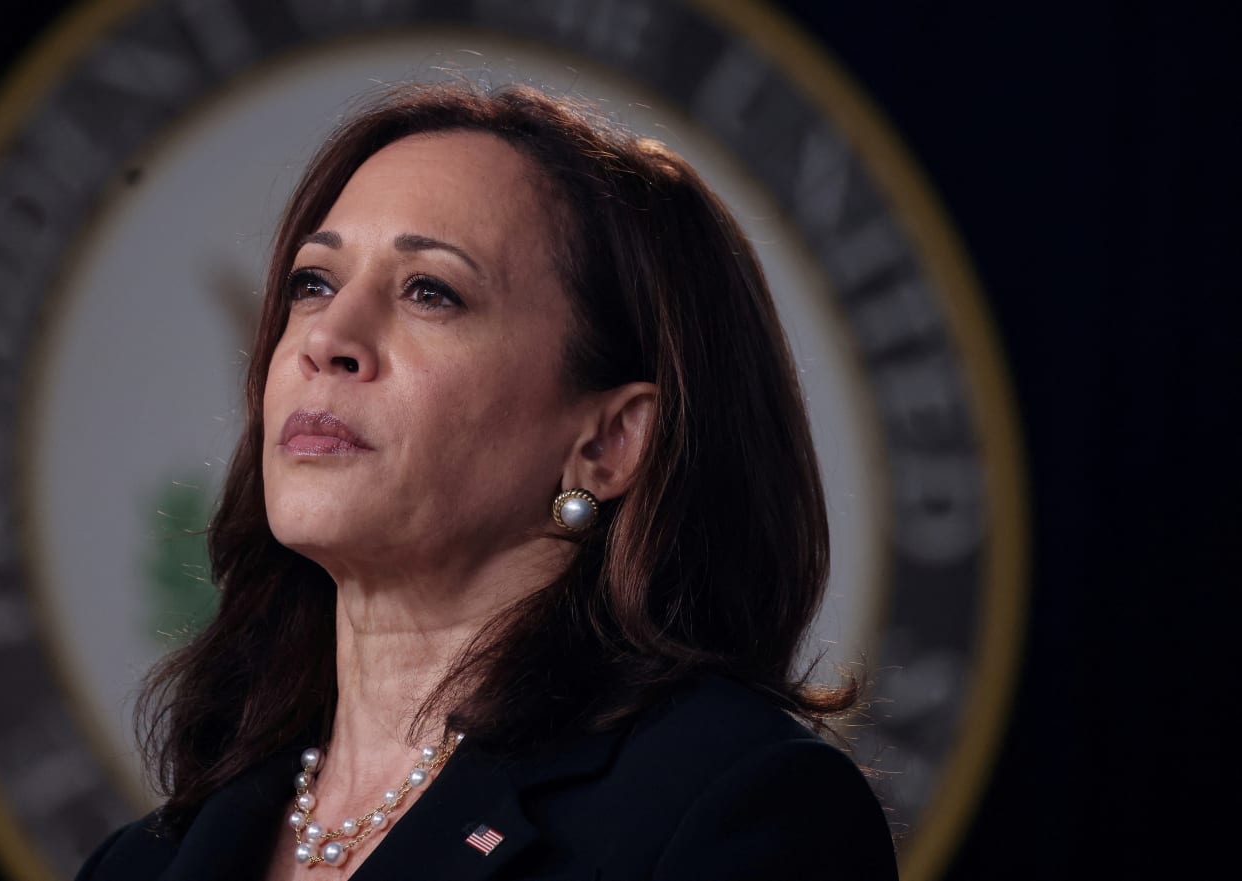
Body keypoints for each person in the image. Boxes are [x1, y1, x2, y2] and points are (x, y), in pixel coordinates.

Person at [76, 81, 897, 881]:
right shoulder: (140, 862)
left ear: (606, 443)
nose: (327, 338)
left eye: (430, 292)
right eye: (312, 283)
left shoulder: (734, 806)